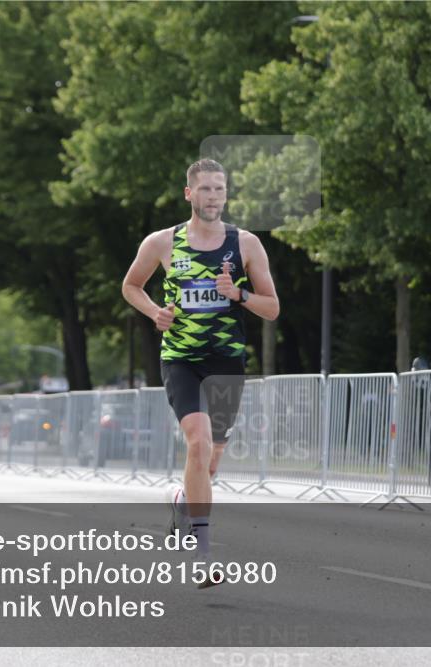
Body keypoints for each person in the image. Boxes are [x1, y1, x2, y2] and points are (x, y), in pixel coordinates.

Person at [122, 158, 279, 587]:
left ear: (226, 195)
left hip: (226, 364)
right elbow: (130, 285)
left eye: (219, 189)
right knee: (198, 443)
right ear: (189, 194)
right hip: (181, 359)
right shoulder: (162, 243)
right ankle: (205, 556)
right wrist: (156, 312)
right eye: (205, 189)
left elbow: (272, 308)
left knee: (210, 463)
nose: (213, 197)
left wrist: (239, 293)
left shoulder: (245, 245)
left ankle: (179, 500)